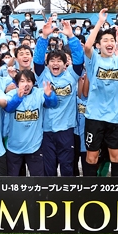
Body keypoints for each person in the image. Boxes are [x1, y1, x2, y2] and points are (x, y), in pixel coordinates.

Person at [83, 9, 118, 177]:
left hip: (115, 118)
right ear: (99, 45)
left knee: (116, 157)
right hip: (94, 117)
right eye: (105, 40)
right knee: (92, 157)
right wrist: (99, 23)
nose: (109, 43)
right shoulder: (94, 59)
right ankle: (90, 191)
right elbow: (87, 46)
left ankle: (116, 193)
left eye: (112, 40)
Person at [33, 19, 84, 176]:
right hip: (47, 130)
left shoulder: (72, 75)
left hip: (67, 130)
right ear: (48, 64)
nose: (55, 64)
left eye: (59, 61)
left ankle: (67, 198)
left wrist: (72, 37)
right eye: (52, 61)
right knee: (49, 169)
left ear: (64, 64)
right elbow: (37, 60)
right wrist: (43, 37)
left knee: (67, 167)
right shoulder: (43, 75)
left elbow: (79, 60)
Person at [3, 70, 57, 176]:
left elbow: (52, 104)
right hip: (14, 146)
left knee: (38, 181)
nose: (25, 84)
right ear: (17, 83)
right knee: (12, 181)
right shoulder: (11, 94)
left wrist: (49, 96)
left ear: (33, 83)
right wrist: (18, 98)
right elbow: (8, 108)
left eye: (29, 81)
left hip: (34, 146)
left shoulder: (39, 93)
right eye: (22, 81)